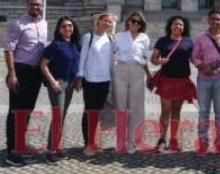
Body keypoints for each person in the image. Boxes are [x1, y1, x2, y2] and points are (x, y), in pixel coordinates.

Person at [3, 0, 48, 167]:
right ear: (27, 5)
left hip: (35, 73)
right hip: (20, 70)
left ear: (42, 6)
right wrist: (12, 73)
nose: (36, 8)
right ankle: (12, 152)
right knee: (15, 112)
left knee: (27, 112)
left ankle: (20, 146)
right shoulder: (18, 24)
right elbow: (8, 50)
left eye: (38, 5)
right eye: (32, 5)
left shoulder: (44, 24)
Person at [150, 15, 196, 153]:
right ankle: (162, 138)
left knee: (176, 111)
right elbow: (153, 58)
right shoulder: (162, 41)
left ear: (184, 28)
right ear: (170, 26)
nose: (178, 26)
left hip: (182, 80)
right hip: (167, 80)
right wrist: (159, 62)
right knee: (165, 111)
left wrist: (206, 66)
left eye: (181, 25)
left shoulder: (188, 42)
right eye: (175, 24)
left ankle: (174, 140)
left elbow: (194, 60)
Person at [191, 10, 220, 155]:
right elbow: (194, 56)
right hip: (203, 79)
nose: (216, 21)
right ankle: (203, 142)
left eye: (218, 19)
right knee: (203, 112)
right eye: (213, 19)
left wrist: (214, 65)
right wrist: (203, 67)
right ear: (208, 21)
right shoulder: (200, 37)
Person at [39, 16, 81, 162]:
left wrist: (78, 81)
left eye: (69, 26)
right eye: (64, 26)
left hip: (70, 84)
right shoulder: (55, 45)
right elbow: (43, 65)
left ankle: (58, 145)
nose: (67, 28)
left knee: (62, 117)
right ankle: (51, 150)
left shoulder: (76, 45)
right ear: (59, 29)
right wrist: (52, 81)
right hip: (58, 84)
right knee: (58, 116)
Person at [75, 13, 115, 156]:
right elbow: (82, 57)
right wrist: (80, 76)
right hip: (90, 79)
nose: (107, 23)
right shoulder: (88, 37)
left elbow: (111, 60)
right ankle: (88, 144)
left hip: (104, 80)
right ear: (99, 21)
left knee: (97, 112)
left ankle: (93, 142)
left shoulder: (110, 38)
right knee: (89, 111)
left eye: (110, 22)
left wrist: (113, 76)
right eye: (105, 20)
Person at [113, 11, 151, 154]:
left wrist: (148, 73)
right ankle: (120, 141)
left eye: (138, 22)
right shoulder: (119, 36)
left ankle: (133, 141)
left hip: (137, 70)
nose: (135, 24)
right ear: (128, 21)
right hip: (121, 70)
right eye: (133, 21)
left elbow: (145, 57)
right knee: (121, 107)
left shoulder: (144, 38)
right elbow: (111, 52)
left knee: (136, 108)